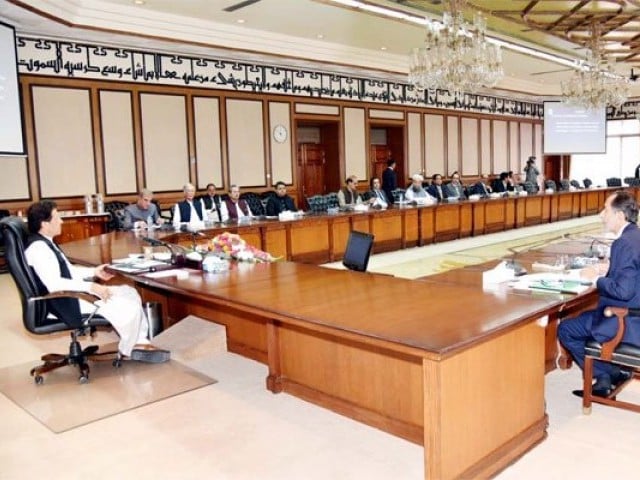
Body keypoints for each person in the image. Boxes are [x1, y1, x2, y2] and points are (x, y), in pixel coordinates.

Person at [24, 200, 169, 362]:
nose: (61, 221)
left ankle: (140, 341)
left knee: (129, 292)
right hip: (62, 302)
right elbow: (55, 284)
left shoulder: (46, 243)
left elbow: (68, 272)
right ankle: (130, 348)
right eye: (57, 217)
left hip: (68, 295)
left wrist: (94, 271)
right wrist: (92, 287)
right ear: (44, 224)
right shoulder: (39, 249)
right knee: (125, 305)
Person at [557, 191, 640, 398]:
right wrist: (611, 270)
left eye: (606, 210)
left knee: (566, 329)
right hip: (632, 310)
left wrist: (596, 278)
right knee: (581, 320)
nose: (602, 215)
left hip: (624, 319)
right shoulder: (635, 235)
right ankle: (607, 375)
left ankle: (605, 373)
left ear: (620, 216)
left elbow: (623, 290)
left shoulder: (624, 243)